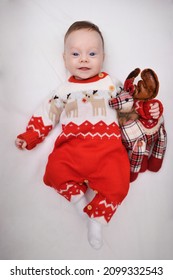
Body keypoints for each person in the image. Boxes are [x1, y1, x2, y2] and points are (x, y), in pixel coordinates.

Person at [15, 21, 161, 249]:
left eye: (92, 53)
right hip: (72, 149)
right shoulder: (63, 91)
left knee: (120, 183)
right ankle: (77, 199)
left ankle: (97, 219)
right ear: (64, 58)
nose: (84, 59)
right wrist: (30, 136)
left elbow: (130, 106)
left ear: (103, 57)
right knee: (54, 171)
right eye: (75, 54)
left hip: (108, 151)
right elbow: (47, 113)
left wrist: (148, 111)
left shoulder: (112, 84)